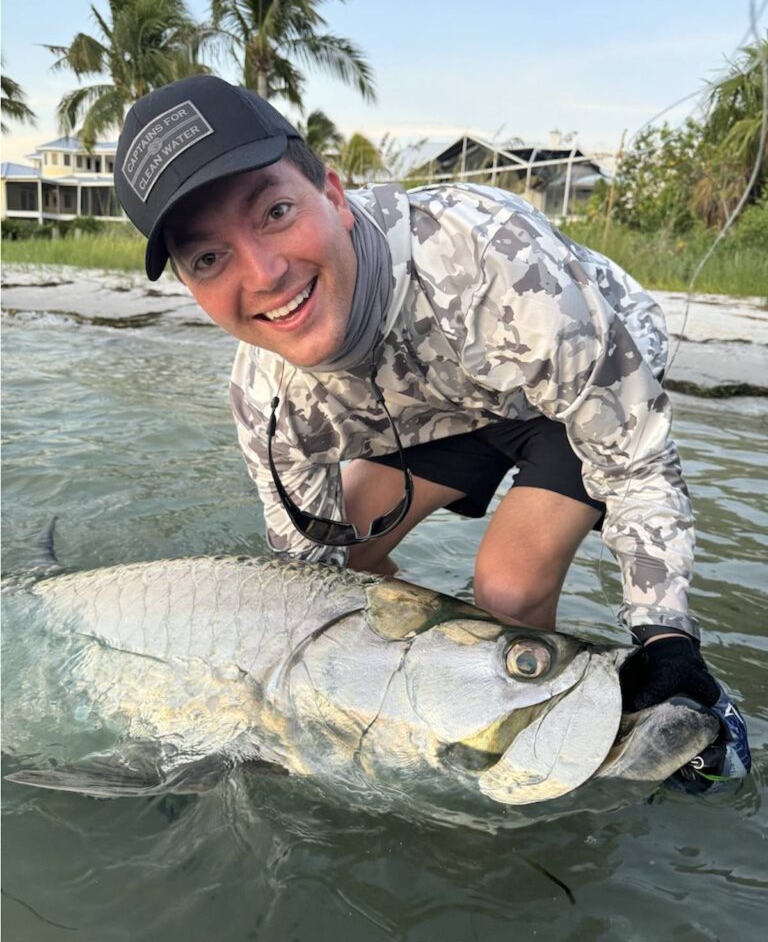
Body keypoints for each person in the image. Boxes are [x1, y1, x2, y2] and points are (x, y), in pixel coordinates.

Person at [114, 75, 750, 787]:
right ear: (189, 286)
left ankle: (544, 699)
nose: (263, 275)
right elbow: (305, 582)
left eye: (275, 211)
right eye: (207, 258)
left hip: (563, 391)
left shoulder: (496, 264)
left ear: (333, 195)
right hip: (433, 410)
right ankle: (463, 675)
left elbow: (635, 466)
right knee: (343, 563)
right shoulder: (268, 401)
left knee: (506, 590)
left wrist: (664, 634)